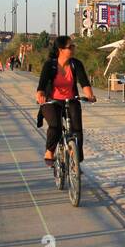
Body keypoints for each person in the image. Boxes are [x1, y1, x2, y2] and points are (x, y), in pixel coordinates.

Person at [35, 36, 96, 165]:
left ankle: (75, 162)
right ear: (60, 49)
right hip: (52, 101)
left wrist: (90, 96)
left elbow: (84, 82)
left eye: (73, 46)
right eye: (70, 47)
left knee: (77, 130)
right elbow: (42, 85)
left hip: (71, 99)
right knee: (55, 126)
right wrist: (40, 95)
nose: (73, 49)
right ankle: (49, 151)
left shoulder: (75, 64)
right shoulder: (50, 65)